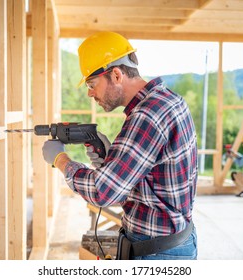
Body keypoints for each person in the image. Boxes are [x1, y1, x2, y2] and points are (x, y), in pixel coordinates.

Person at [42, 31, 198, 260]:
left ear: (116, 74)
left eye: (92, 83)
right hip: (171, 241)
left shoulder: (147, 114)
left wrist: (60, 160)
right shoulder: (167, 100)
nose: (89, 92)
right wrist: (111, 162)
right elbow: (151, 178)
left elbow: (103, 192)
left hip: (157, 252)